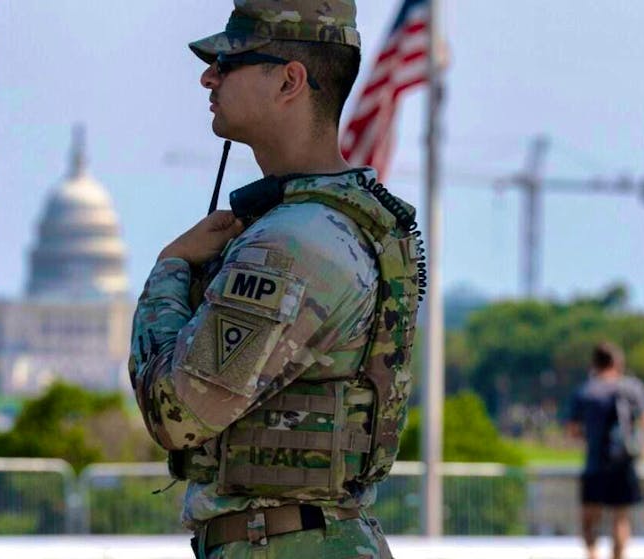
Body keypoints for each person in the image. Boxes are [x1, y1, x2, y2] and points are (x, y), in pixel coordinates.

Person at [127, 2, 422, 558]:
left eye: (231, 61)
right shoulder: (325, 221)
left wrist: (171, 268)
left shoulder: (293, 241)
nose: (208, 76)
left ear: (290, 80)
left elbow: (177, 412)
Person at [567, 342, 644, 559]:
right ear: (617, 362)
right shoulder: (633, 387)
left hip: (595, 463)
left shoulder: (585, 390)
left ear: (594, 363)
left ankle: (593, 555)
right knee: (620, 518)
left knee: (589, 521)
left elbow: (572, 429)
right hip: (624, 463)